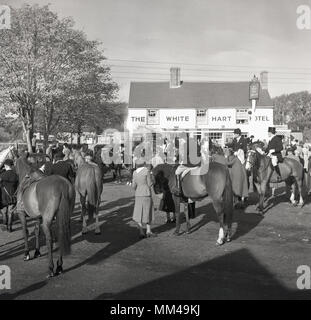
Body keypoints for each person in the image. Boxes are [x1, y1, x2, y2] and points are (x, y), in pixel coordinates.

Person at [132, 158, 156, 239]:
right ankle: (148, 231)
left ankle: (141, 232)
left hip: (138, 194)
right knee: (148, 211)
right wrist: (153, 180)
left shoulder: (134, 173)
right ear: (144, 164)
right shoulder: (147, 171)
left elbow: (133, 186)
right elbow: (149, 184)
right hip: (146, 193)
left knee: (138, 213)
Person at [0, 159, 18, 232]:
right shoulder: (16, 175)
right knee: (10, 212)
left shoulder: (2, 175)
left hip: (3, 197)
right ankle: (9, 227)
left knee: (4, 212)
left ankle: (4, 225)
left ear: (6, 165)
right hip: (12, 196)